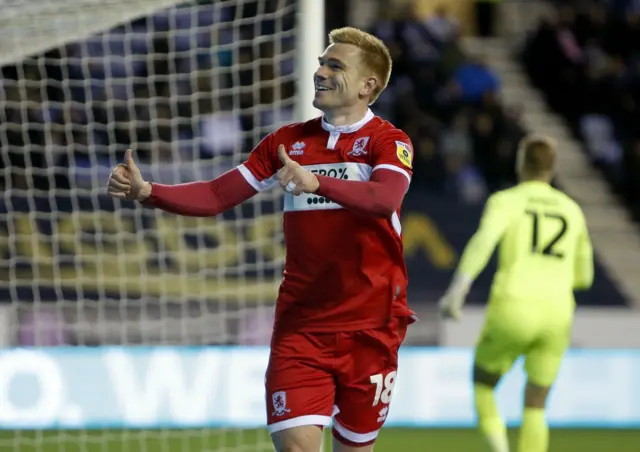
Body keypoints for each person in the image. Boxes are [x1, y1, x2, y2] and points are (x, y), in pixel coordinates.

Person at [108, 27, 417, 452]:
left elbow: (385, 199)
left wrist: (316, 182)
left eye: (335, 65)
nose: (320, 72)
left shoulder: (388, 141)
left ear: (369, 86)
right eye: (321, 63)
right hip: (301, 326)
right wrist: (148, 192)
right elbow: (218, 194)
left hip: (372, 326)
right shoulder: (287, 142)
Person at [438, 135, 594, 452]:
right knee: (536, 404)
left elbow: (484, 242)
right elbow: (585, 277)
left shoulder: (507, 201)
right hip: (557, 313)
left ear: (521, 163)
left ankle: (500, 448)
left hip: (515, 305)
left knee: (483, 384)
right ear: (553, 167)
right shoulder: (572, 210)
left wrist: (457, 291)